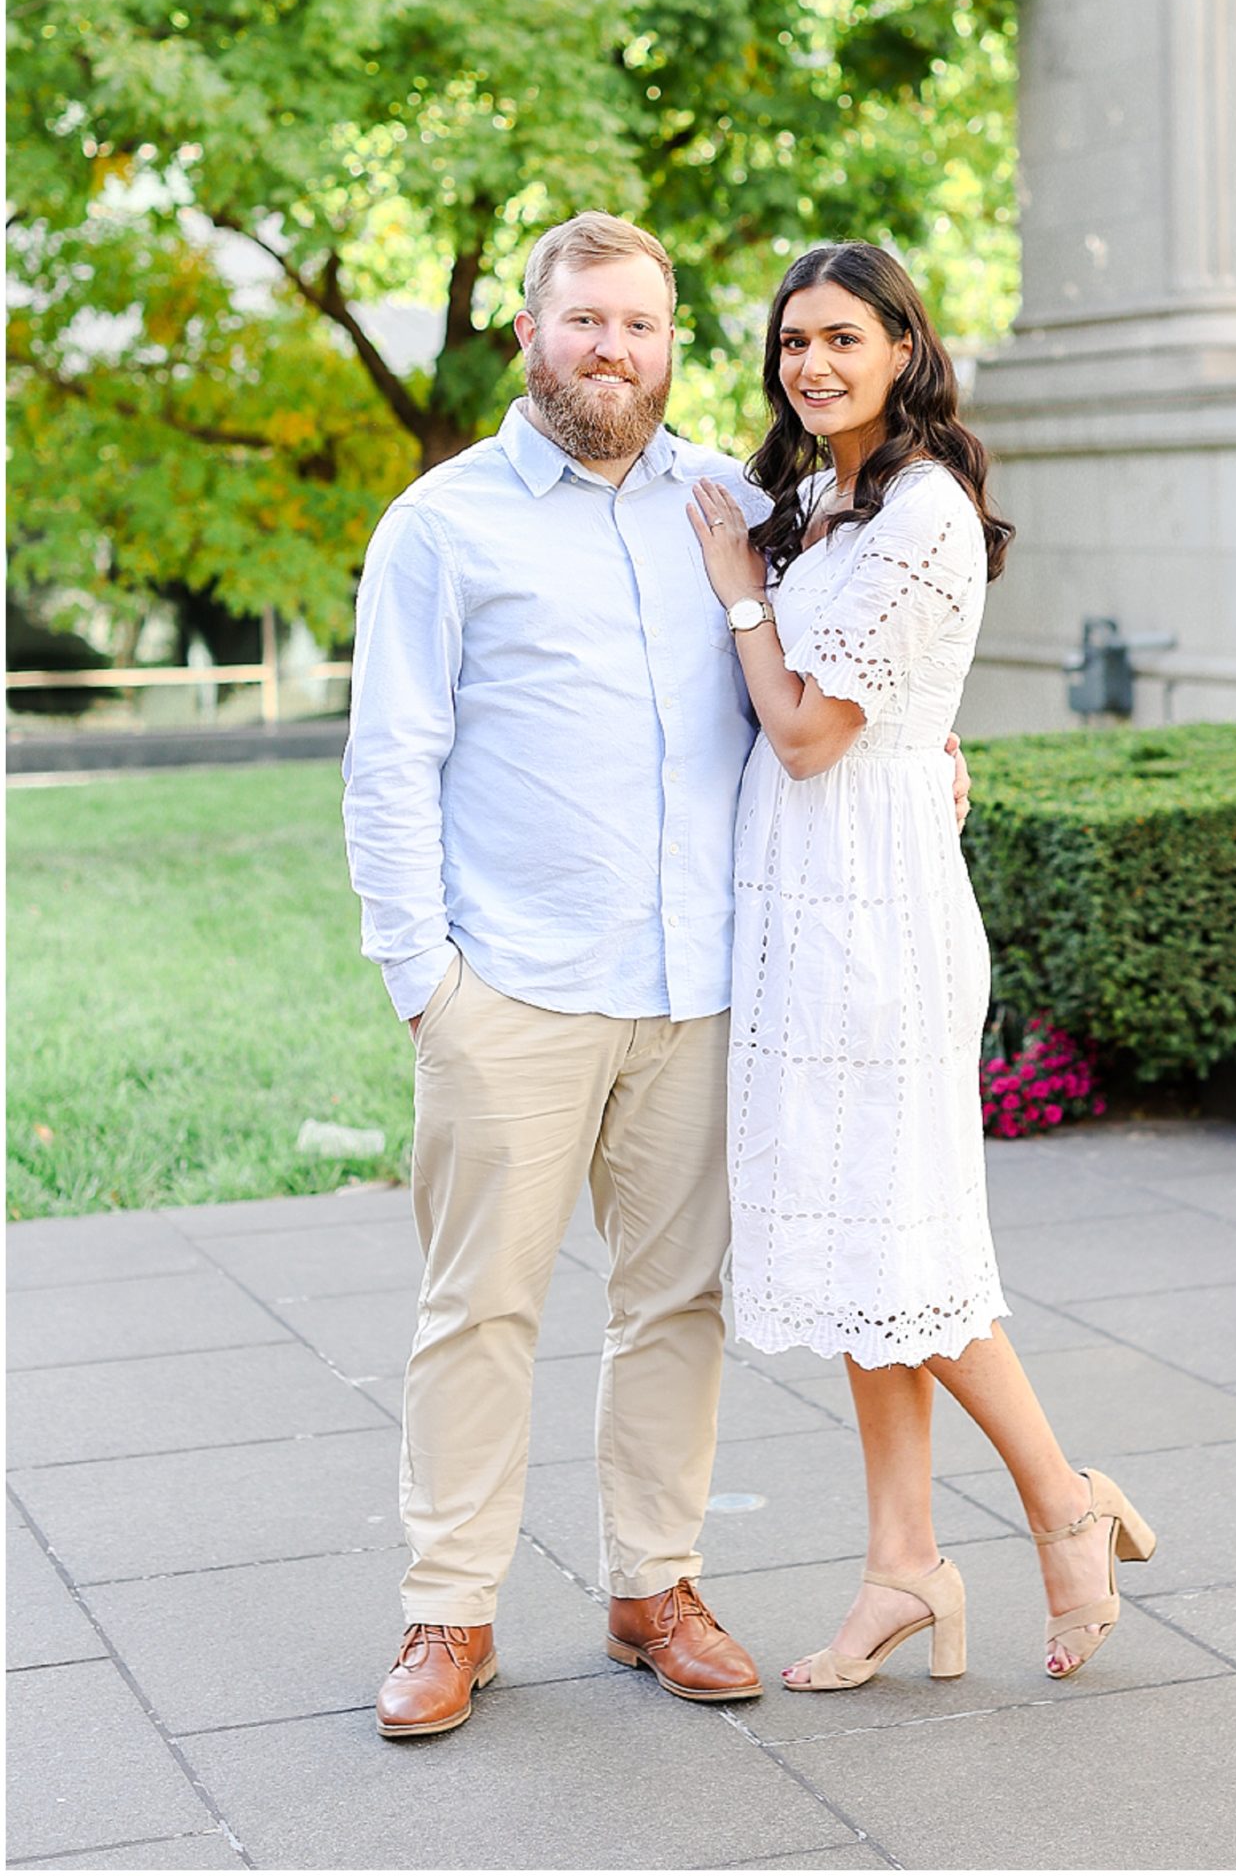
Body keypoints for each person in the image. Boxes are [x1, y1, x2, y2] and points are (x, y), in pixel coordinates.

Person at [342, 210, 970, 1739]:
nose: (612, 349)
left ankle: (654, 1587)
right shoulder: (443, 524)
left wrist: (932, 751)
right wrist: (425, 977)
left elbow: (831, 679)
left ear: (673, 341)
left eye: (640, 323)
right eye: (584, 322)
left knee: (674, 1305)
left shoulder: (735, 501)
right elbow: (389, 761)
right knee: (478, 1308)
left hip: (702, 987)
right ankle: (449, 1611)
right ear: (531, 337)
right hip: (516, 990)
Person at [687, 242, 1156, 1690]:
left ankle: (1061, 1505)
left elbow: (815, 735)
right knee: (849, 1254)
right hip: (798, 902)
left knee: (908, 1250)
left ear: (902, 346)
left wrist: (737, 593)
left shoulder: (924, 511)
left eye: (840, 337)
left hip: (875, 913)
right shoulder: (824, 502)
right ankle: (903, 1567)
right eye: (789, 344)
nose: (810, 365)